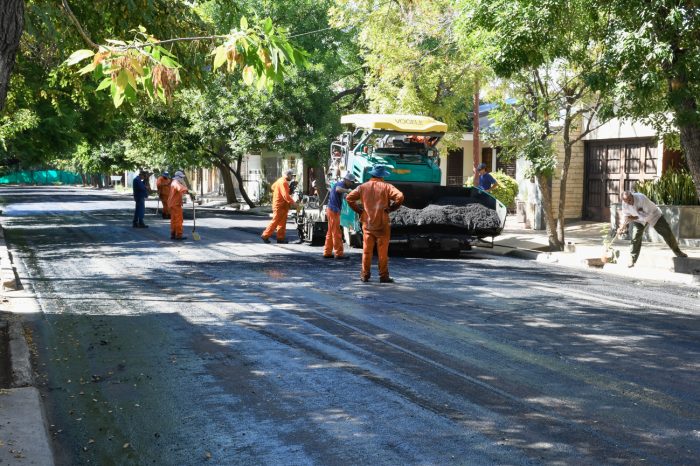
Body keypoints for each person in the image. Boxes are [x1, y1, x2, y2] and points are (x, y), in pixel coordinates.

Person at [346, 164, 404, 283]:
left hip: (367, 223)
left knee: (367, 251)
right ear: (382, 176)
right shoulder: (387, 187)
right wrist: (392, 208)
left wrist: (359, 211)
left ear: (372, 174)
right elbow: (400, 196)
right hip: (382, 224)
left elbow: (349, 198)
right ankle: (383, 276)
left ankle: (365, 275)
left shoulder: (362, 187)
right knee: (382, 252)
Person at [617, 190, 687, 267]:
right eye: (626, 202)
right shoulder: (625, 203)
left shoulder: (641, 198)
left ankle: (678, 252)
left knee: (667, 233)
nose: (629, 203)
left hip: (654, 215)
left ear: (632, 195)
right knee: (635, 237)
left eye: (629, 200)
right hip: (638, 219)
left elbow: (648, 215)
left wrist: (634, 217)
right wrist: (621, 227)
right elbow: (626, 216)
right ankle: (632, 259)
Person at [323, 172, 356, 260]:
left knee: (330, 232)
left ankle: (327, 252)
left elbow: (343, 195)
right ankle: (339, 253)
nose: (352, 184)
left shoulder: (343, 186)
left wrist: (351, 196)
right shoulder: (340, 184)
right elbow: (338, 189)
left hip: (331, 210)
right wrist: (348, 191)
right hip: (333, 211)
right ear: (347, 180)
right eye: (351, 182)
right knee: (337, 233)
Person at [261, 169, 297, 244]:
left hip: (282, 204)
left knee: (282, 222)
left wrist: (286, 190)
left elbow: (272, 187)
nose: (292, 177)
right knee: (276, 221)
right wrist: (294, 203)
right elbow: (285, 196)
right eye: (291, 175)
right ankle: (265, 235)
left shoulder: (280, 181)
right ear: (288, 175)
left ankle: (280, 238)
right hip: (280, 205)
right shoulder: (283, 182)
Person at [168, 171, 192, 241]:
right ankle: (178, 235)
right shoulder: (176, 183)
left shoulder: (174, 182)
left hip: (173, 203)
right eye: (182, 177)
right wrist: (189, 191)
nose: (182, 179)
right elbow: (181, 189)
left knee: (174, 219)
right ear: (179, 177)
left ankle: (173, 233)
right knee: (178, 219)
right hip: (175, 204)